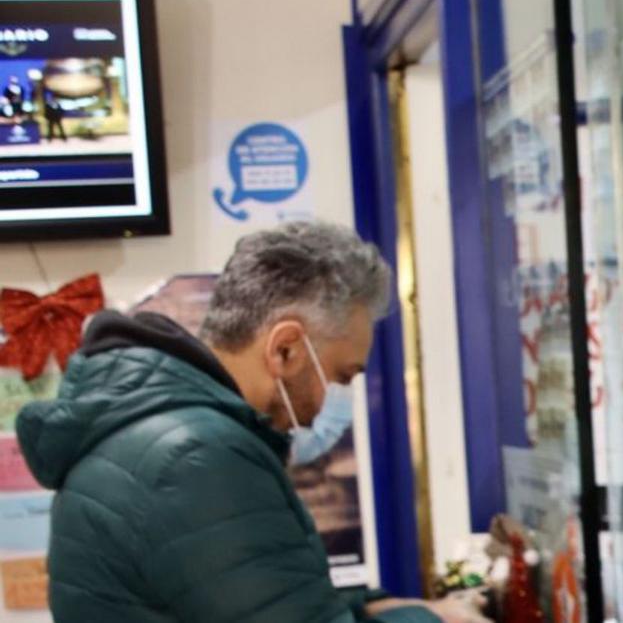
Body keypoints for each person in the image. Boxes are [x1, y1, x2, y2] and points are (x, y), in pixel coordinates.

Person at [17, 222, 490, 623]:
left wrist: (368, 608)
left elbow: (249, 595)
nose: (334, 401)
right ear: (285, 349)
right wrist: (434, 617)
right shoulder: (195, 455)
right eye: (342, 375)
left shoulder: (154, 431)